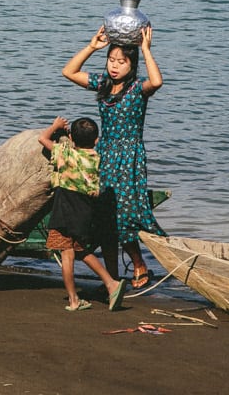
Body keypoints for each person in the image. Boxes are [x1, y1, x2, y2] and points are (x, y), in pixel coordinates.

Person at [62, 25, 166, 289]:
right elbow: (69, 72)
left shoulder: (136, 91)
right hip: (105, 154)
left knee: (126, 213)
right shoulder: (103, 85)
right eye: (111, 60)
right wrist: (91, 47)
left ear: (132, 65)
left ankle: (139, 263)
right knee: (106, 216)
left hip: (129, 156)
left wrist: (145, 50)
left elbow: (156, 82)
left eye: (121, 61)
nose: (115, 66)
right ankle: (114, 276)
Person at [38, 116, 127, 312]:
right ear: (96, 140)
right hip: (85, 212)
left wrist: (55, 126)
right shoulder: (95, 158)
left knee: (67, 256)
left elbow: (42, 139)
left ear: (70, 138)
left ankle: (75, 300)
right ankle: (110, 283)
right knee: (80, 251)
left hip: (64, 211)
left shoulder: (66, 154)